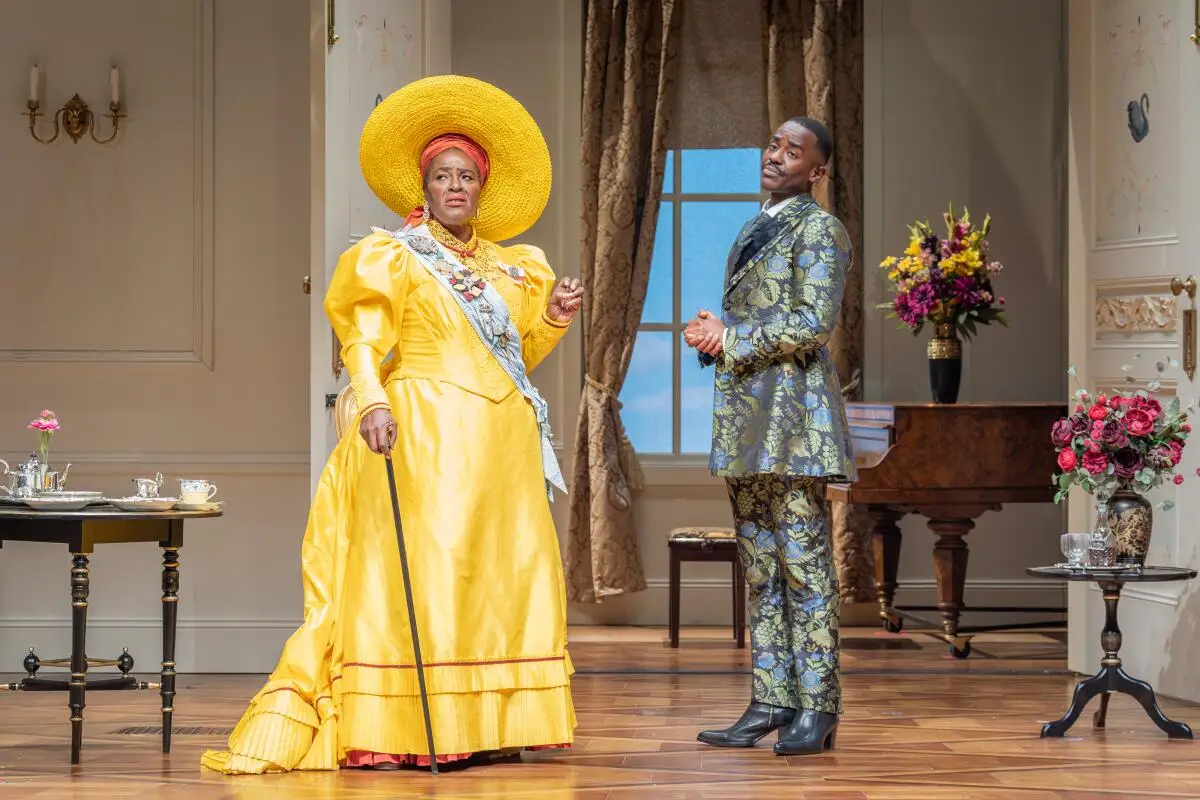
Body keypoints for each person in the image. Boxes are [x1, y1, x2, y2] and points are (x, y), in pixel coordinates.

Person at [202, 75, 583, 774]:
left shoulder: (512, 269)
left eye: (467, 175)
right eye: (443, 175)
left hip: (502, 440)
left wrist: (554, 315)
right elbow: (364, 342)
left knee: (500, 575)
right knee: (437, 569)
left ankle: (493, 720)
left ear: (484, 186)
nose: (455, 186)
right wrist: (372, 400)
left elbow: (517, 358)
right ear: (425, 186)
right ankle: (417, 724)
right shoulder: (395, 254)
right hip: (427, 434)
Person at [684, 117, 856, 757]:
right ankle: (771, 698)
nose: (776, 155)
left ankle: (818, 706)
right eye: (774, 144)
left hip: (795, 424)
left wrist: (731, 338)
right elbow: (761, 318)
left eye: (794, 150)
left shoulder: (821, 229)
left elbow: (812, 322)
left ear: (816, 171)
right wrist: (717, 333)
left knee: (805, 565)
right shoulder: (760, 221)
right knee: (761, 567)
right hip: (750, 419)